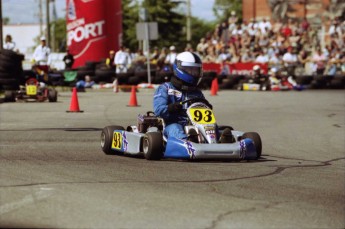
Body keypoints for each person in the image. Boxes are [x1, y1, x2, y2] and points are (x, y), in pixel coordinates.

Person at [153, 51, 233, 143]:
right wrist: (171, 108)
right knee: (175, 128)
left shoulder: (196, 92)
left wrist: (207, 107)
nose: (194, 73)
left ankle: (220, 140)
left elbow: (203, 109)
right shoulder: (165, 88)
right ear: (179, 69)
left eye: (196, 70)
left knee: (212, 126)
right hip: (172, 123)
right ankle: (188, 141)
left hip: (195, 125)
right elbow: (158, 110)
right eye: (190, 70)